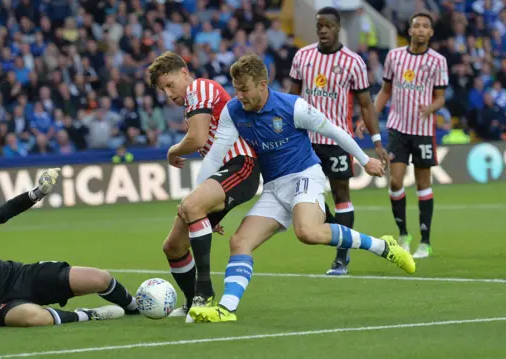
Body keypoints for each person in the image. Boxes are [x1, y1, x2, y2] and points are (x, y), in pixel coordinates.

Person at [188, 54, 416, 323]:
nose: (239, 96)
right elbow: (215, 156)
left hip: (305, 175)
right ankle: (226, 309)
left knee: (307, 232)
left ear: (263, 84)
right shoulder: (234, 111)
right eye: (236, 90)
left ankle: (382, 246)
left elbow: (335, 131)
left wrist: (366, 160)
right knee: (239, 242)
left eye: (245, 89)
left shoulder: (292, 107)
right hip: (274, 187)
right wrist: (200, 199)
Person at [0, 168, 138, 334]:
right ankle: (87, 315)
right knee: (34, 318)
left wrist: (38, 193)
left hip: (18, 276)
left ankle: (137, 309)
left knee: (100, 278)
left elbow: (6, 209)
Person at [147, 51, 260, 320]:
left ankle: (204, 292)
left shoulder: (200, 87)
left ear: (184, 73)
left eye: (169, 84)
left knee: (192, 205)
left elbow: (197, 139)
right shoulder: (192, 103)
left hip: (242, 164)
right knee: (173, 246)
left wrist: (172, 151)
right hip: (223, 173)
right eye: (163, 89)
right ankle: (190, 303)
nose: (167, 93)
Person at [290, 6, 389, 275]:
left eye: (328, 25)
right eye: (318, 25)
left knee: (341, 194)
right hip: (305, 141)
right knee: (301, 197)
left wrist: (377, 141)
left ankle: (341, 258)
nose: (322, 30)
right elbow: (291, 98)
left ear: (337, 28)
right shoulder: (302, 57)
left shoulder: (353, 62)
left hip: (337, 141)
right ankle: (337, 234)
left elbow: (366, 105)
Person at [374, 12, 448, 259]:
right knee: (395, 182)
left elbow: (440, 97)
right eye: (416, 25)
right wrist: (370, 116)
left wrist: (430, 108)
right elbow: (386, 91)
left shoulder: (438, 61)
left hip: (423, 131)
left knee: (423, 184)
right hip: (397, 128)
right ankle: (403, 234)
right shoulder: (394, 57)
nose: (420, 30)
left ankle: (425, 242)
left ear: (431, 33)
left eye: (426, 26)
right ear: (409, 30)